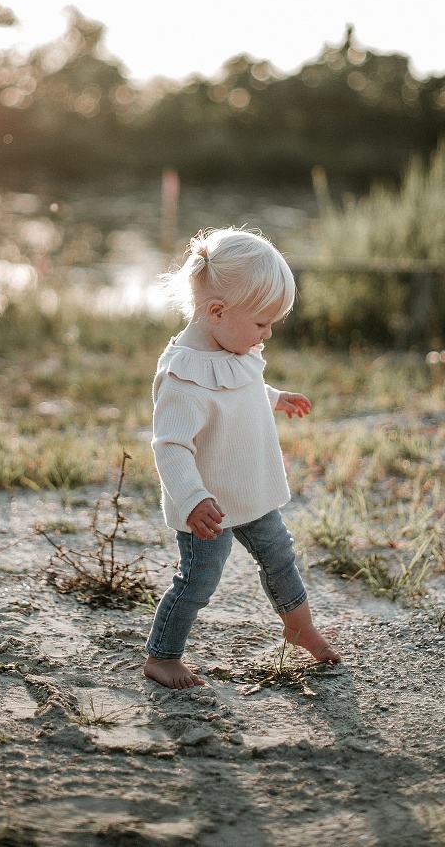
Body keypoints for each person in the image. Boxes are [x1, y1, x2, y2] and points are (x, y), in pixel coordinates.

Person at [144, 226, 341, 690]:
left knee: (280, 556)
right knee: (199, 580)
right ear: (216, 311)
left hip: (249, 488)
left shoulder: (233, 346)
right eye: (261, 323)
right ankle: (162, 655)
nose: (267, 334)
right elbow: (170, 445)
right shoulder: (183, 375)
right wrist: (192, 498)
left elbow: (238, 389)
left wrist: (273, 397)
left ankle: (299, 627)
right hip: (207, 507)